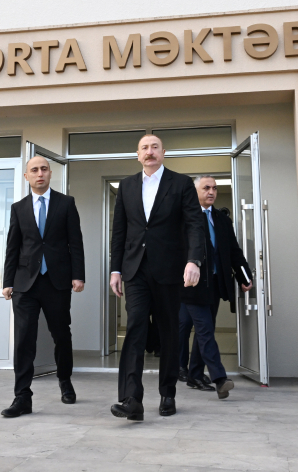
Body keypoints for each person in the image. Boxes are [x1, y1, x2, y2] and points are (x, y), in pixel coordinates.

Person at [109, 134, 205, 421]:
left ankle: (167, 393)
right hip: (135, 269)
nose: (149, 152)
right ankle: (131, 399)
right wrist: (115, 269)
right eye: (144, 148)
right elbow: (119, 231)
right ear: (137, 155)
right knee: (135, 327)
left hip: (169, 270)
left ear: (163, 152)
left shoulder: (181, 184)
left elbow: (194, 224)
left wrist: (194, 260)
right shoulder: (126, 186)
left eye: (154, 147)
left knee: (168, 331)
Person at [1, 155, 85, 418]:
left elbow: (75, 242)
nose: (40, 173)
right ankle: (22, 397)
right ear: (27, 176)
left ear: (50, 173)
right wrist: (7, 281)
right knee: (24, 339)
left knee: (61, 334)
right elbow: (13, 247)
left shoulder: (66, 203)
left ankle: (65, 381)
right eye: (34, 170)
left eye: (44, 169)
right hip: (25, 283)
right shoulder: (18, 208)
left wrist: (78, 275)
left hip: (56, 281)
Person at [179, 175, 254, 399]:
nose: (211, 192)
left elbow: (233, 251)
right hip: (191, 284)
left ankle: (194, 375)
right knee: (204, 329)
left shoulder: (221, 219)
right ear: (195, 192)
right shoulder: (183, 217)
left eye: (214, 188)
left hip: (214, 284)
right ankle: (219, 378)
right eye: (206, 188)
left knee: (206, 329)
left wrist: (244, 276)